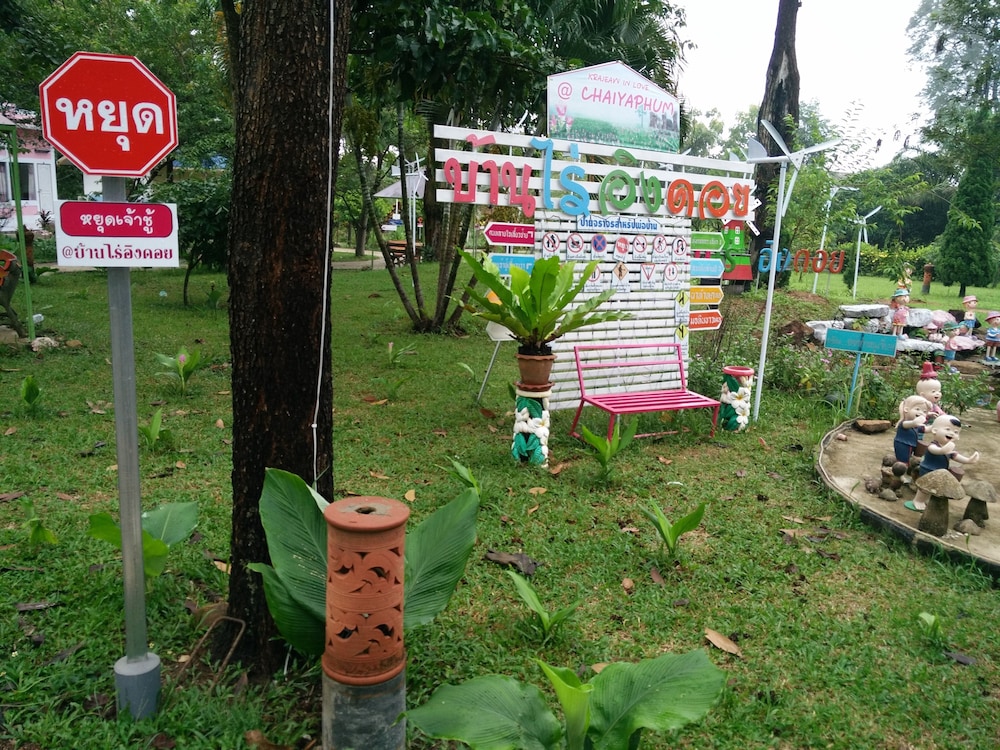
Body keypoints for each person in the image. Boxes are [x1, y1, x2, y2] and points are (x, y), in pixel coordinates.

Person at [905, 413, 980, 511]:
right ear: (934, 430)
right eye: (948, 429)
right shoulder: (933, 445)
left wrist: (968, 460)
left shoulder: (948, 447)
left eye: (956, 432)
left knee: (933, 487)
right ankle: (918, 501)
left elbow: (956, 456)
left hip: (940, 471)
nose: (952, 433)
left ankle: (925, 501)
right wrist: (943, 450)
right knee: (924, 488)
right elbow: (935, 451)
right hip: (928, 469)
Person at [893, 394, 929, 465]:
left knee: (908, 460)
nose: (921, 413)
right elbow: (911, 424)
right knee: (902, 461)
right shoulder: (904, 423)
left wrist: (936, 427)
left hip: (911, 445)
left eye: (924, 411)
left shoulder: (916, 425)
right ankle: (900, 469)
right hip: (903, 445)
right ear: (906, 409)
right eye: (917, 409)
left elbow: (926, 429)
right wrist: (915, 422)